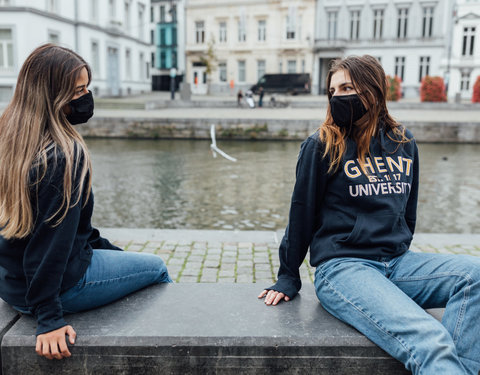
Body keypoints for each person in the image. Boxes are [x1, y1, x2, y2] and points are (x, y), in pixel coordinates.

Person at [258, 55, 480, 375]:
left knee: (475, 275)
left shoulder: (403, 142)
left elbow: (408, 212)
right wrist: (288, 275)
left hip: (398, 263)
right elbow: (301, 214)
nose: (337, 97)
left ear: (372, 90)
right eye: (332, 91)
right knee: (430, 339)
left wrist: (395, 244)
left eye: (347, 87)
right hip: (344, 267)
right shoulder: (321, 144)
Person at [0, 44, 171, 360]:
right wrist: (49, 319)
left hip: (11, 285)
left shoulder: (10, 137)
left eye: (87, 87)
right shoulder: (64, 155)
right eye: (78, 90)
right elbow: (51, 244)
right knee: (158, 268)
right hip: (54, 289)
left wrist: (114, 253)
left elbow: (75, 230)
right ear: (54, 97)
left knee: (125, 259)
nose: (87, 96)